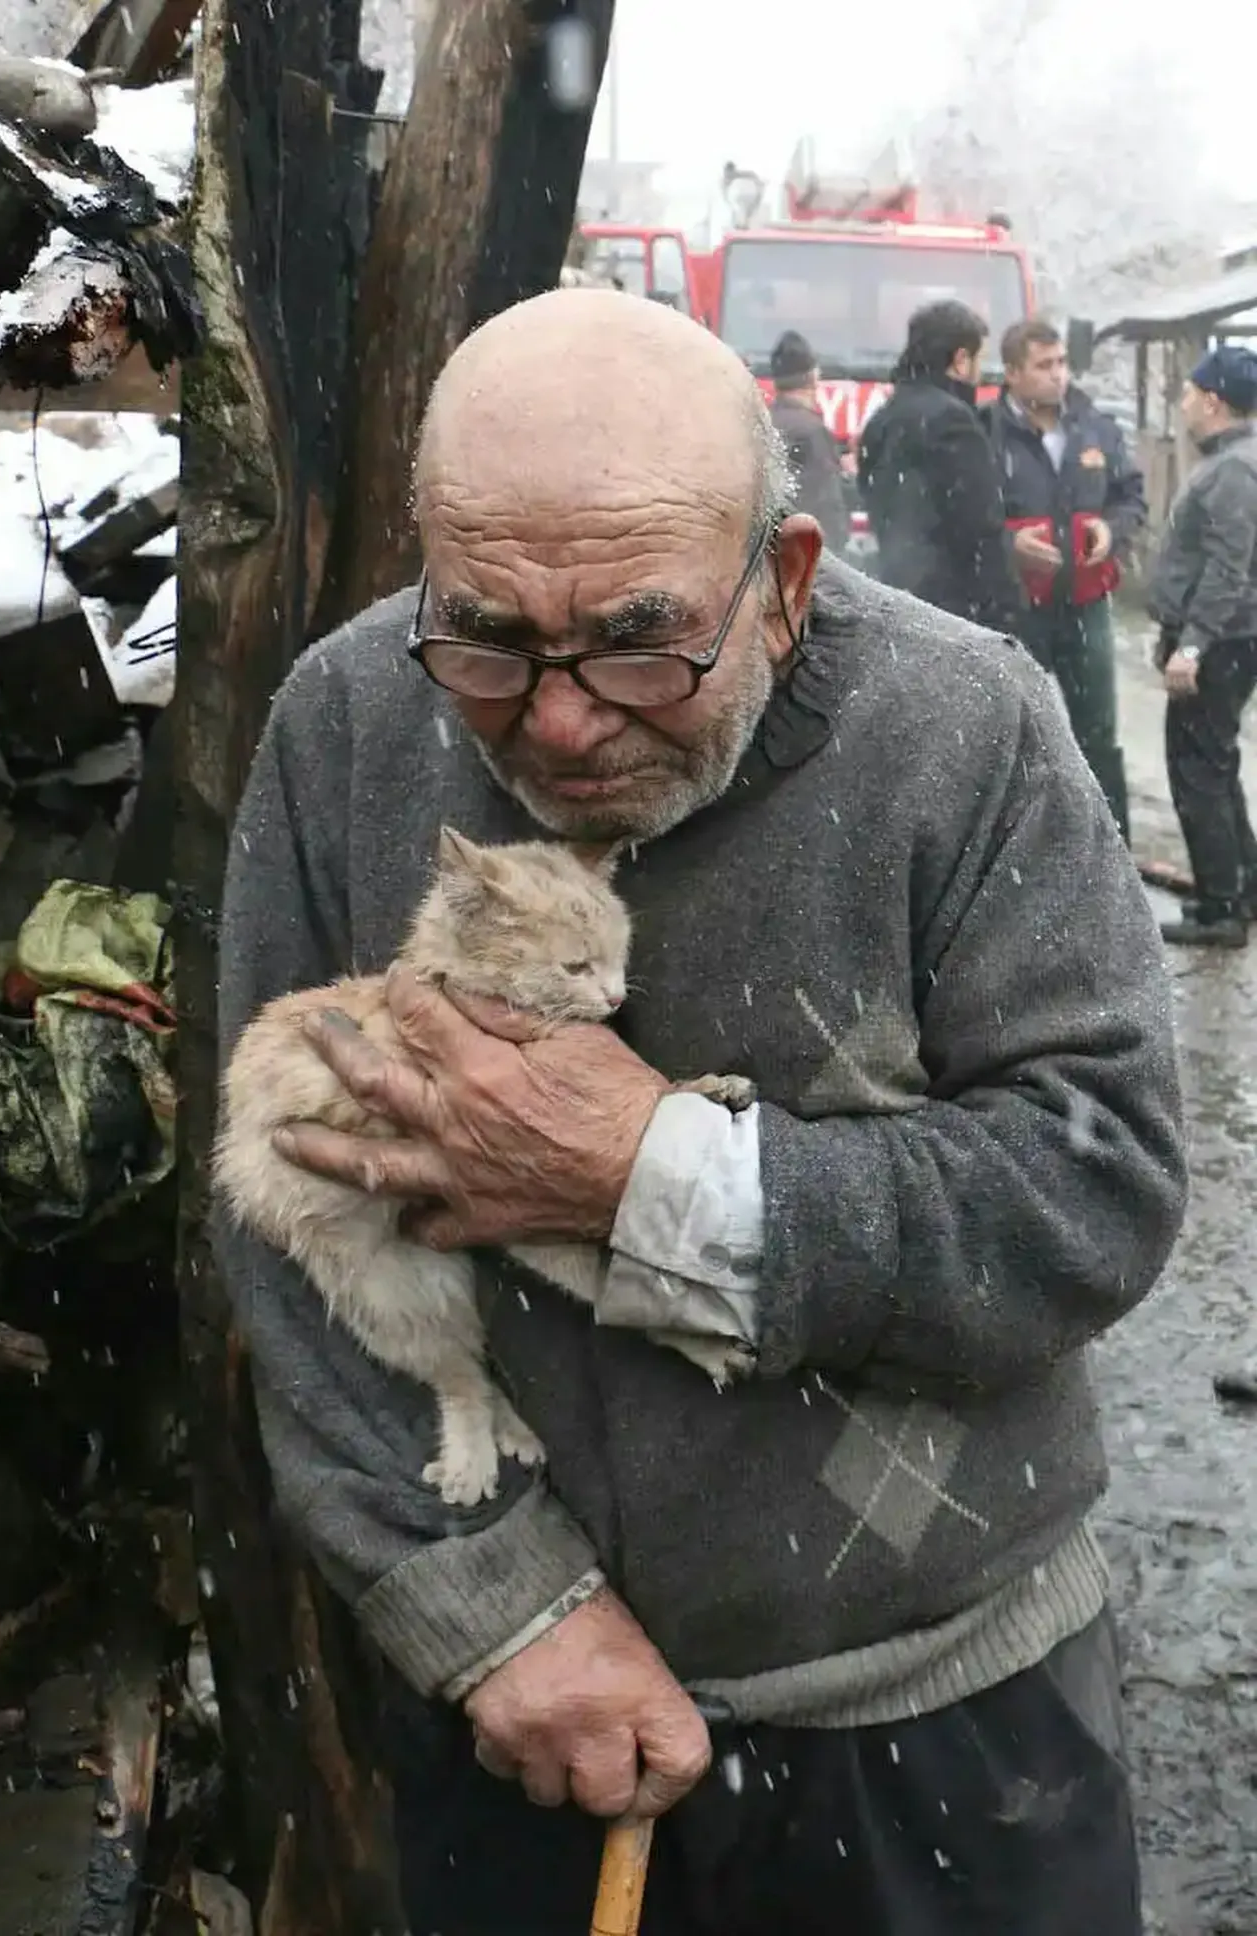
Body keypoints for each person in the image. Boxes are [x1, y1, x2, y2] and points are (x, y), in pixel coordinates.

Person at [217, 288, 1186, 1936]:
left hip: (942, 1720)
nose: (561, 717)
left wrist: (652, 1177)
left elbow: (1096, 1188)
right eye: (488, 639)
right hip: (525, 1729)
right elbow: (277, 1222)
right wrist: (490, 1610)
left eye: (637, 639)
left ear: (784, 580)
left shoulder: (965, 729)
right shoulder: (350, 720)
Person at [985, 320, 1147, 842]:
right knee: (1011, 735)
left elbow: (1131, 496)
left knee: (1098, 736)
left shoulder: (1095, 428)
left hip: (1085, 605)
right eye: (1043, 365)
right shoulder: (985, 433)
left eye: (1061, 363)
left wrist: (1113, 529)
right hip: (1016, 610)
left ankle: (1112, 848)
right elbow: (964, 519)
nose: (1058, 375)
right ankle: (1019, 852)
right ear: (1012, 373)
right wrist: (1009, 544)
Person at [1148, 343, 1257, 946]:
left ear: (1213, 401)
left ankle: (1221, 909)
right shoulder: (1233, 460)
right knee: (1215, 763)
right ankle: (1243, 888)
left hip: (1220, 642)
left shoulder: (1233, 469)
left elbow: (1227, 568)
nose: (1183, 402)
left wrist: (1191, 646)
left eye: (1189, 392)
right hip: (1228, 637)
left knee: (1197, 771)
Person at [857, 298, 1023, 633]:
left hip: (897, 602)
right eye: (978, 360)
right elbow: (980, 527)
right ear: (960, 360)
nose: (979, 374)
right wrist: (1006, 613)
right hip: (954, 612)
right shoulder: (954, 422)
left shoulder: (881, 420)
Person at [766, 329, 850, 556]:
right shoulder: (813, 431)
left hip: (770, 551)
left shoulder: (764, 423)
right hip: (805, 555)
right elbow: (827, 505)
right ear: (813, 378)